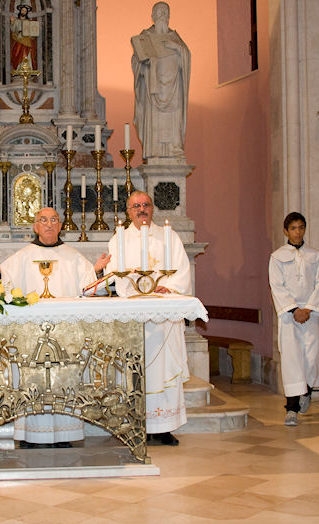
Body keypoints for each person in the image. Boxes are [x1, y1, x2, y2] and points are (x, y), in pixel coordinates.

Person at [0, 207, 110, 447]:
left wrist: (96, 271)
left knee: (65, 377)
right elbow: (5, 286)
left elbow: (89, 287)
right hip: (32, 333)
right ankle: (32, 435)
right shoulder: (22, 256)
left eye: (54, 220)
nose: (49, 224)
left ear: (60, 226)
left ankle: (65, 434)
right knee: (33, 378)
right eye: (43, 220)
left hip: (65, 333)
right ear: (35, 226)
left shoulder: (73, 256)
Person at [105, 191, 191, 445]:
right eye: (136, 206)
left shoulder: (169, 237)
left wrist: (168, 287)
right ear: (128, 212)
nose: (141, 209)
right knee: (135, 370)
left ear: (152, 209)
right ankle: (135, 424)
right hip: (135, 315)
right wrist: (135, 289)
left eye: (146, 205)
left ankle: (164, 426)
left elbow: (182, 270)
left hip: (164, 314)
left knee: (164, 369)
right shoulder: (119, 239)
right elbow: (114, 273)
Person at [268, 212, 319, 427]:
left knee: (311, 357)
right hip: (289, 315)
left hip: (310, 314)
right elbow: (277, 285)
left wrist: (308, 309)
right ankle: (291, 408)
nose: (297, 232)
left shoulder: (316, 256)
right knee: (292, 360)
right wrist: (294, 310)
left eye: (301, 227)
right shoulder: (277, 257)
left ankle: (307, 393)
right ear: (286, 231)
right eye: (293, 228)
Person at [131, 2, 191, 161]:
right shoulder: (146, 37)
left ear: (169, 16)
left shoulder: (174, 37)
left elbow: (186, 57)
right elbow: (136, 61)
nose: (163, 14)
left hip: (174, 88)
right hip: (154, 89)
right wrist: (145, 64)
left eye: (165, 11)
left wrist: (178, 48)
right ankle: (154, 150)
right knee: (155, 121)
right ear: (152, 16)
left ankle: (174, 148)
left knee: (173, 118)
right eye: (159, 11)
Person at [10, 3, 37, 70]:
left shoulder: (29, 22)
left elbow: (33, 32)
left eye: (25, 11)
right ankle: (19, 68)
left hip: (27, 39)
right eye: (23, 10)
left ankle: (28, 68)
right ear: (20, 11)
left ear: (26, 13)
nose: (24, 12)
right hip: (19, 39)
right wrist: (12, 22)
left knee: (27, 52)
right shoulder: (16, 21)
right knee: (18, 52)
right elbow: (13, 30)